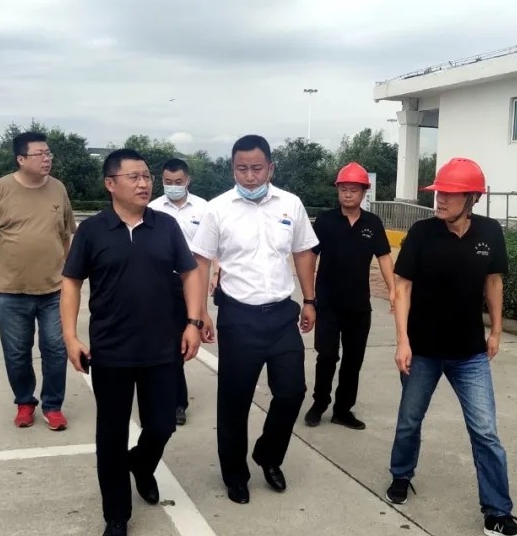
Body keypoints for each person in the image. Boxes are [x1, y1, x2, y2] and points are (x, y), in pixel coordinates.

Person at [60, 149, 205, 536]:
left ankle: (141, 463)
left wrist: (193, 322)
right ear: (111, 184)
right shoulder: (92, 231)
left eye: (146, 177)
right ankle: (116, 515)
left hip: (162, 347)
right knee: (110, 434)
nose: (144, 184)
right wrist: (70, 336)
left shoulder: (165, 226)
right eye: (134, 177)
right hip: (111, 350)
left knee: (162, 425)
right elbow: (71, 282)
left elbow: (190, 273)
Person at [385, 157, 517, 536]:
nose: (440, 200)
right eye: (439, 193)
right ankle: (401, 475)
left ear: (472, 198)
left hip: (470, 353)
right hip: (422, 350)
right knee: (410, 420)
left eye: (450, 194)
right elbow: (402, 287)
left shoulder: (490, 232)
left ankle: (497, 514)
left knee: (485, 432)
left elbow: (494, 282)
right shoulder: (422, 233)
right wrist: (402, 341)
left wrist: (496, 330)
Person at [190, 134, 319, 505]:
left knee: (292, 391)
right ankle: (235, 474)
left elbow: (303, 252)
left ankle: (268, 455)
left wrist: (310, 300)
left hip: (280, 315)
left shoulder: (290, 204)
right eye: (241, 169)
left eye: (257, 168)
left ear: (271, 168)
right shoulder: (218, 209)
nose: (249, 177)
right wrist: (199, 313)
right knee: (235, 401)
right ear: (232, 169)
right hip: (238, 317)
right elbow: (200, 262)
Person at [0, 131, 76, 431]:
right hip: (11, 291)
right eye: (39, 154)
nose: (47, 158)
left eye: (49, 153)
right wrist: (8, 264)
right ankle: (24, 402)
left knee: (56, 350)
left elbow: (66, 234)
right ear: (21, 159)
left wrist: (60, 267)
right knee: (17, 353)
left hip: (54, 290)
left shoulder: (58, 188)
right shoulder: (0, 189)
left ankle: (53, 406)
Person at [303, 162, 395, 430]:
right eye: (343, 189)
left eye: (353, 190)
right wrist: (309, 298)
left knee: (353, 361)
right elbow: (310, 257)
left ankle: (343, 410)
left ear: (364, 192)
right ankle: (319, 404)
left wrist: (393, 290)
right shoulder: (326, 221)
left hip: (359, 307)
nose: (347, 194)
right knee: (327, 357)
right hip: (328, 304)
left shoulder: (372, 223)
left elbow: (384, 258)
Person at [149, 157, 209, 426]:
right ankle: (157, 397)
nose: (173, 186)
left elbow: (211, 250)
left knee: (177, 343)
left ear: (188, 180)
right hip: (158, 282)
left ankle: (177, 403)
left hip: (188, 282)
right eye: (167, 182)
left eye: (178, 181)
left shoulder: (204, 209)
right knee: (155, 341)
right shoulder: (152, 208)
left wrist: (214, 275)